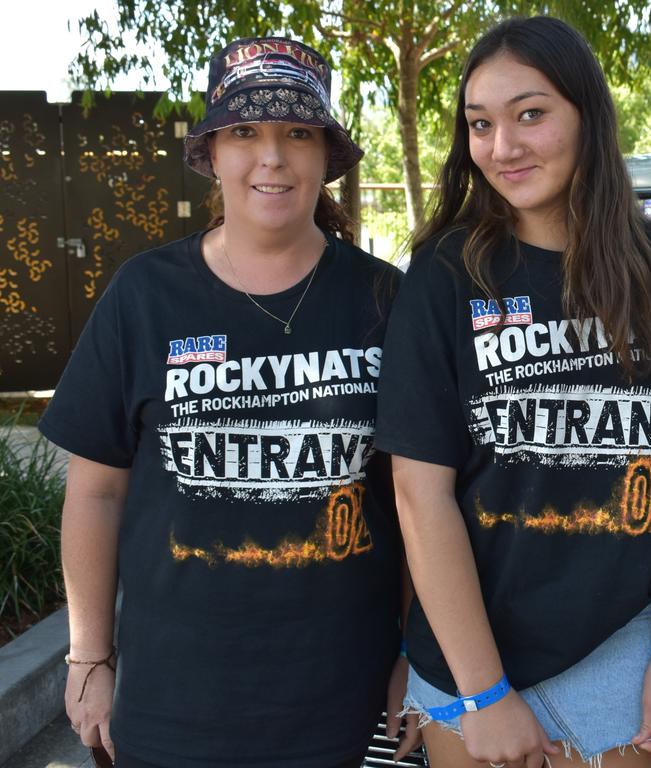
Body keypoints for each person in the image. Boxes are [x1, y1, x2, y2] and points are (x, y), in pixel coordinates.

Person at [375, 15, 651, 768]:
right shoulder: (446, 274)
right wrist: (484, 694)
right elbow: (419, 493)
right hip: (471, 657)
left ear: (587, 116)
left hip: (624, 649)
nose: (502, 147)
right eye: (480, 124)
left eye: (530, 114)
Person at [40, 37, 417, 768]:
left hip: (346, 699)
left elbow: (412, 500)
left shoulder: (384, 300)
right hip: (172, 704)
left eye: (296, 133)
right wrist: (88, 660)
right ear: (212, 152)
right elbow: (95, 495)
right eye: (245, 131)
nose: (271, 157)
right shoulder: (143, 297)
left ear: (325, 157)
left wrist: (414, 653)